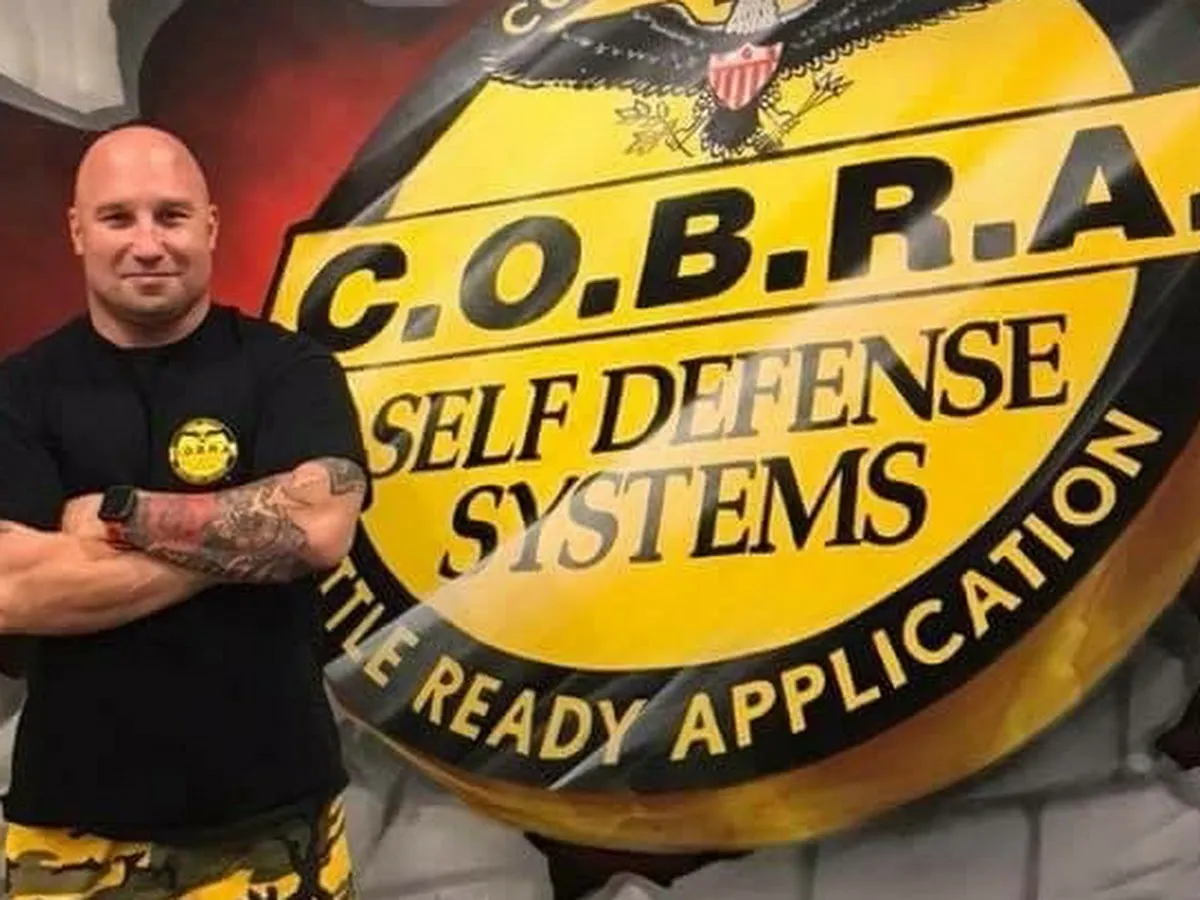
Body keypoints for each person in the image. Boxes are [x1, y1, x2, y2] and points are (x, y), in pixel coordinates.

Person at [0, 122, 370, 898]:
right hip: (71, 834)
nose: (147, 244)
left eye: (170, 216)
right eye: (117, 218)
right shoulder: (18, 392)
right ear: (78, 231)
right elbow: (11, 589)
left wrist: (119, 515)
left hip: (275, 823)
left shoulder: (291, 369)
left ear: (210, 226)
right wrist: (246, 542)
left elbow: (318, 529)